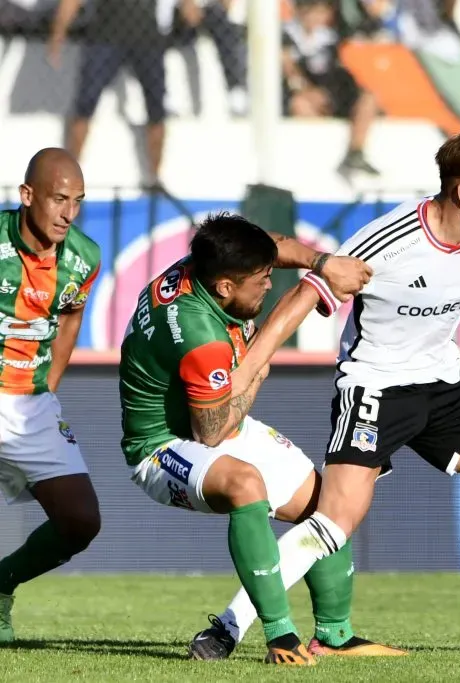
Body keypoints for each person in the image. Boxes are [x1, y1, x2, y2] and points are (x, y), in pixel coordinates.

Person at [228, 130, 460, 640]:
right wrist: (249, 368)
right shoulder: (388, 242)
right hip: (375, 390)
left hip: (440, 387)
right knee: (332, 526)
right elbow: (303, 295)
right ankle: (228, 627)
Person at [118, 213, 404, 665]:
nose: (269, 285)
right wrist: (258, 365)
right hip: (164, 445)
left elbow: (272, 244)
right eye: (261, 280)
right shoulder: (199, 335)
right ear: (226, 288)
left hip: (215, 416)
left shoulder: (208, 265)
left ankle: (334, 633)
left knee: (328, 506)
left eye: (270, 275)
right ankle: (280, 636)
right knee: (244, 483)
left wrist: (321, 261)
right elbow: (211, 433)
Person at [0, 148, 102, 643]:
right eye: (59, 200)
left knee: (80, 521)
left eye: (78, 202)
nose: (68, 213)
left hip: (31, 403)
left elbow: (70, 319)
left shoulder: (84, 257)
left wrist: (48, 390)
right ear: (27, 195)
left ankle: (0, 586)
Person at [48, 0, 192, 186]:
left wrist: (189, 6)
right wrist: (58, 33)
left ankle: (155, 180)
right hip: (105, 36)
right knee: (85, 104)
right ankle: (69, 180)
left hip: (146, 38)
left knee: (157, 108)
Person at [282, 0, 380, 179]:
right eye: (315, 12)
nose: (320, 17)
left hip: (331, 92)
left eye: (323, 12)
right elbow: (289, 70)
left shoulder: (331, 37)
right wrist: (305, 89)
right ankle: (319, 162)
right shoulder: (286, 35)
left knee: (368, 99)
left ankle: (355, 153)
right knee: (300, 105)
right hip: (303, 93)